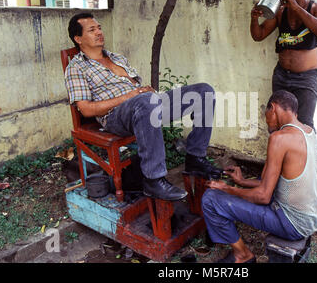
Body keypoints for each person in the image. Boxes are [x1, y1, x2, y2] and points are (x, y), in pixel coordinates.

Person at [64, 13, 222, 201]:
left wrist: (141, 91)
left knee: (203, 92)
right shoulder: (77, 67)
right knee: (145, 102)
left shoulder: (117, 58)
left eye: (99, 28)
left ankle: (195, 158)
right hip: (115, 116)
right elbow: (87, 109)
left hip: (145, 106)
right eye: (92, 30)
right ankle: (154, 180)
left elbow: (135, 89)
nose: (99, 32)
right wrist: (130, 96)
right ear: (78, 39)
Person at [201, 90, 317, 263]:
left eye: (265, 115)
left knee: (210, 199)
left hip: (293, 224)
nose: (266, 121)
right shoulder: (309, 132)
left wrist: (227, 188)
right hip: (312, 217)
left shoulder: (279, 138)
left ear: (272, 108)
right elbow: (272, 182)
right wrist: (242, 181)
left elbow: (263, 196)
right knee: (237, 193)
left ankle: (242, 255)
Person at [250, 0, 317, 130]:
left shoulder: (316, 8)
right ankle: (278, 155)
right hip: (281, 76)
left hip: (305, 78)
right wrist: (254, 19)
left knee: (305, 125)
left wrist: (296, 7)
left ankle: (306, 155)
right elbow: (258, 35)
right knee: (277, 121)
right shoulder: (280, 12)